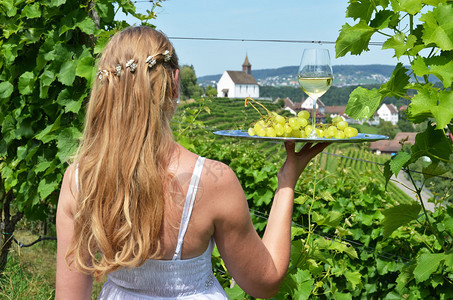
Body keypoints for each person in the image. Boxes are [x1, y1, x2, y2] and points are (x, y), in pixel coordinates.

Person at [55, 26, 329, 300]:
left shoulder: (79, 180)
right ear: (174, 83)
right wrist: (287, 182)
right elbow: (264, 282)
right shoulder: (213, 181)